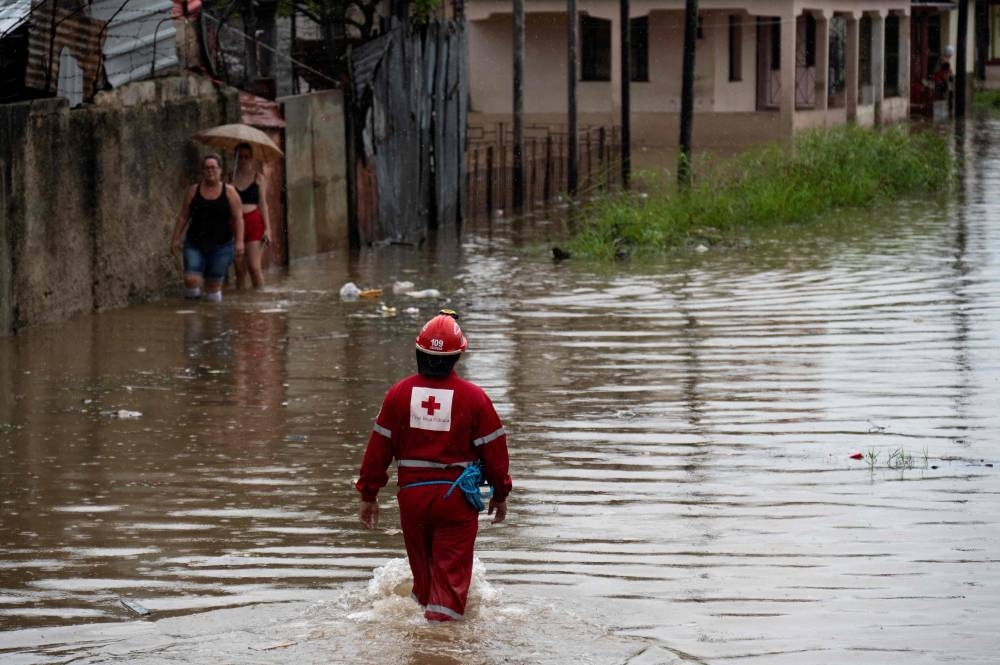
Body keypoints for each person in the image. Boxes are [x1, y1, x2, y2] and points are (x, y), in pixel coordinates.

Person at [356, 313, 512, 622]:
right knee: (449, 587)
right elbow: (495, 451)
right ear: (457, 357)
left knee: (424, 584)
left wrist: (369, 495)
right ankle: (439, 645)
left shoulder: (398, 394)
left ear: (418, 354)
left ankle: (418, 638)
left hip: (412, 500)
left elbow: (378, 449)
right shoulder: (475, 398)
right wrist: (500, 492)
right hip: (455, 503)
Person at [170, 154, 244, 302]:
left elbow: (238, 218)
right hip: (195, 243)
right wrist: (175, 238)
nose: (210, 171)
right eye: (207, 168)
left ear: (220, 170)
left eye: (213, 167)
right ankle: (193, 317)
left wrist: (240, 241)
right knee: (191, 279)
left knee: (212, 286)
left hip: (221, 245)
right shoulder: (193, 191)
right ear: (202, 171)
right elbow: (183, 216)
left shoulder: (230, 192)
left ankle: (213, 319)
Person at [231, 143, 271, 289]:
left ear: (252, 158)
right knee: (240, 271)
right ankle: (242, 304)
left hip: (254, 222)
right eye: (240, 157)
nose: (243, 160)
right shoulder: (229, 177)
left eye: (246, 157)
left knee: (254, 267)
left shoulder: (258, 178)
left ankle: (259, 299)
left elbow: (263, 204)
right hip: (234, 224)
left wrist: (268, 229)